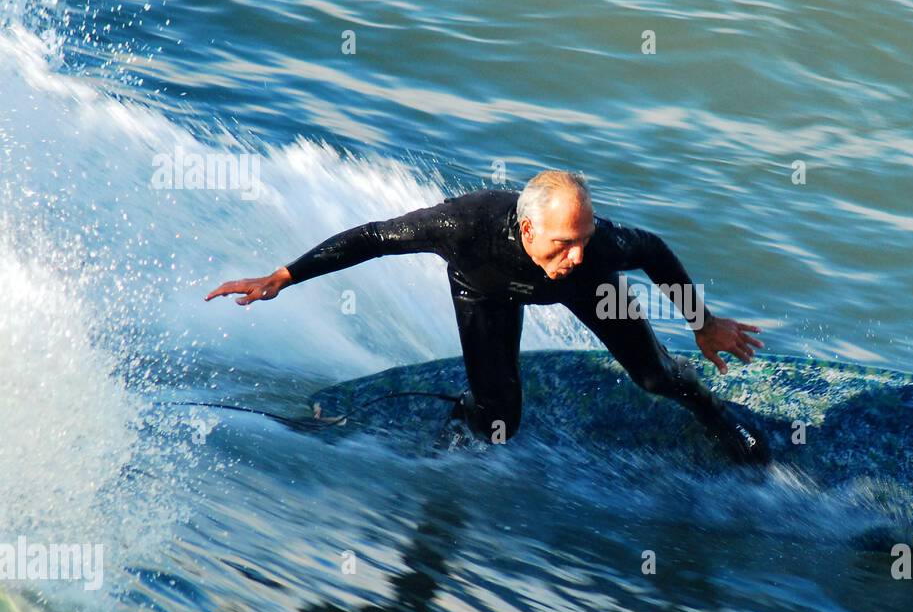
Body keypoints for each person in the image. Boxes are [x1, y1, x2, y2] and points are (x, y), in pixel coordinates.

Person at [205, 170, 770, 464]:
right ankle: (460, 428)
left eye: (585, 237)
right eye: (564, 241)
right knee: (501, 418)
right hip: (485, 289)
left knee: (655, 379)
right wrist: (283, 276)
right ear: (527, 230)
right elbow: (373, 238)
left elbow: (653, 251)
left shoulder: (592, 257)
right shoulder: (462, 227)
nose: (576, 252)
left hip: (593, 295)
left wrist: (702, 322)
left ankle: (720, 420)